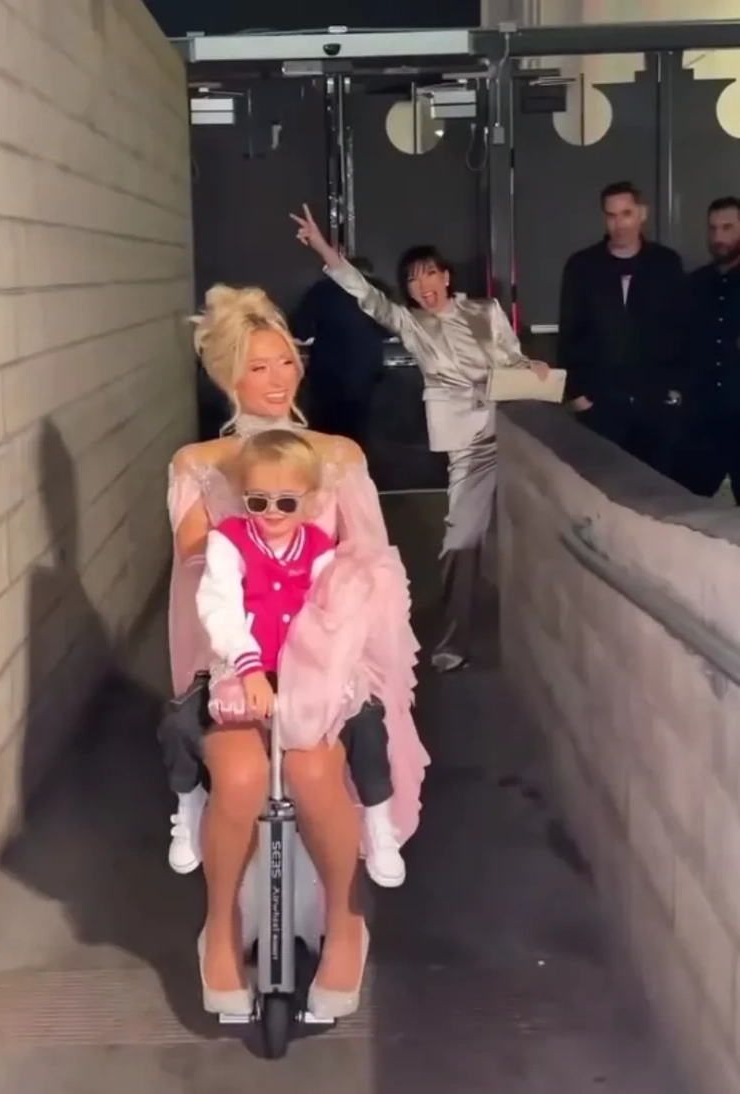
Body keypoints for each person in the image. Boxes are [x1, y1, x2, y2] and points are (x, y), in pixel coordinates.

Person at [162, 284, 429, 1020]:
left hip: (326, 662)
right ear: (228, 377)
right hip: (238, 660)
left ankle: (346, 925)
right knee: (240, 774)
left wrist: (330, 634)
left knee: (314, 771)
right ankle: (220, 929)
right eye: (258, 368)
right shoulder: (199, 463)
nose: (278, 380)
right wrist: (242, 646)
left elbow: (371, 562)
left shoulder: (338, 456)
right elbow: (195, 569)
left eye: (286, 362)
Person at [290, 204, 549, 673]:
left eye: (430, 273)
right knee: (459, 541)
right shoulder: (411, 324)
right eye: (412, 279)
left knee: (541, 537)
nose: (423, 285)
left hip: (515, 430)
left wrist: (531, 366)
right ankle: (453, 642)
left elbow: (512, 358)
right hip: (470, 445)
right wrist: (324, 248)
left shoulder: (485, 311)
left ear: (446, 276)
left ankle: (544, 639)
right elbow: (365, 294)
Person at [174, 427, 406, 888]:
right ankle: (188, 801)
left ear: (310, 500)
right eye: (258, 501)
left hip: (306, 662)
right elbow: (220, 603)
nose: (272, 513)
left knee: (364, 717)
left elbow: (328, 606)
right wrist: (248, 669)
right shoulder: (229, 542)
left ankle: (379, 818)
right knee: (183, 720)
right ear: (243, 497)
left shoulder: (319, 548)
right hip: (247, 661)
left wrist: (331, 662)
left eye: (286, 501)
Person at [558, 181, 687, 475]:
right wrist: (578, 396)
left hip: (656, 406)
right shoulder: (582, 266)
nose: (619, 224)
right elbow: (569, 333)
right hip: (601, 407)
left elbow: (681, 330)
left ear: (642, 214)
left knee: (655, 490)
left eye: (626, 213)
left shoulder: (666, 264)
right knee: (602, 487)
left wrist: (676, 390)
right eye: (611, 215)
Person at [672, 197, 740, 502]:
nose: (718, 237)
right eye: (713, 229)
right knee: (683, 505)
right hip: (703, 420)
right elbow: (680, 342)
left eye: (727, 228)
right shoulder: (695, 284)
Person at [290, 257, 389, 445]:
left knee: (323, 442)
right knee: (359, 442)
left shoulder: (321, 290)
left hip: (326, 381)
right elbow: (390, 330)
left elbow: (300, 329)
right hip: (366, 381)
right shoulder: (379, 291)